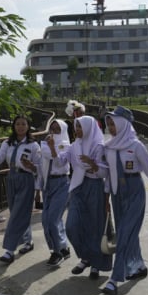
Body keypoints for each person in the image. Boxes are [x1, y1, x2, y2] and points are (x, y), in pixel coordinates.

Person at [101, 106, 148, 295]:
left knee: (125, 234)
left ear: (123, 124)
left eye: (114, 124)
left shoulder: (135, 146)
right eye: (108, 124)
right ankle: (139, 266)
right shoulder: (108, 147)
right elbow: (109, 175)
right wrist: (106, 198)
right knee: (127, 234)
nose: (110, 127)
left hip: (134, 191)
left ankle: (115, 279)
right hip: (118, 194)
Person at [55, 116, 111, 277]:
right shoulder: (74, 146)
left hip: (94, 187)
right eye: (76, 127)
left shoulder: (99, 146)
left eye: (80, 127)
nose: (77, 130)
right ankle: (86, 257)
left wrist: (93, 164)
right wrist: (52, 148)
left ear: (88, 128)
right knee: (72, 227)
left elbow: (105, 172)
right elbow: (60, 162)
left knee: (95, 227)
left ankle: (96, 264)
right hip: (78, 187)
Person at [0, 114, 42, 264]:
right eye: (18, 124)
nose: (20, 127)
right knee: (17, 212)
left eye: (23, 124)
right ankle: (28, 241)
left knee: (16, 215)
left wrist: (32, 167)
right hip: (11, 179)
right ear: (14, 126)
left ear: (28, 126)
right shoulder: (7, 143)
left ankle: (9, 251)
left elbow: (39, 168)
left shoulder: (33, 145)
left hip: (26, 180)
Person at [39, 119, 72, 266]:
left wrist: (53, 149)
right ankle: (62, 247)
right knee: (46, 220)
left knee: (53, 219)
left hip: (62, 183)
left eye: (57, 129)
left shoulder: (67, 146)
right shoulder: (44, 143)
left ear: (63, 130)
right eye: (52, 129)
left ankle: (56, 252)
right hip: (48, 183)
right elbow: (43, 158)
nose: (54, 132)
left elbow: (60, 163)